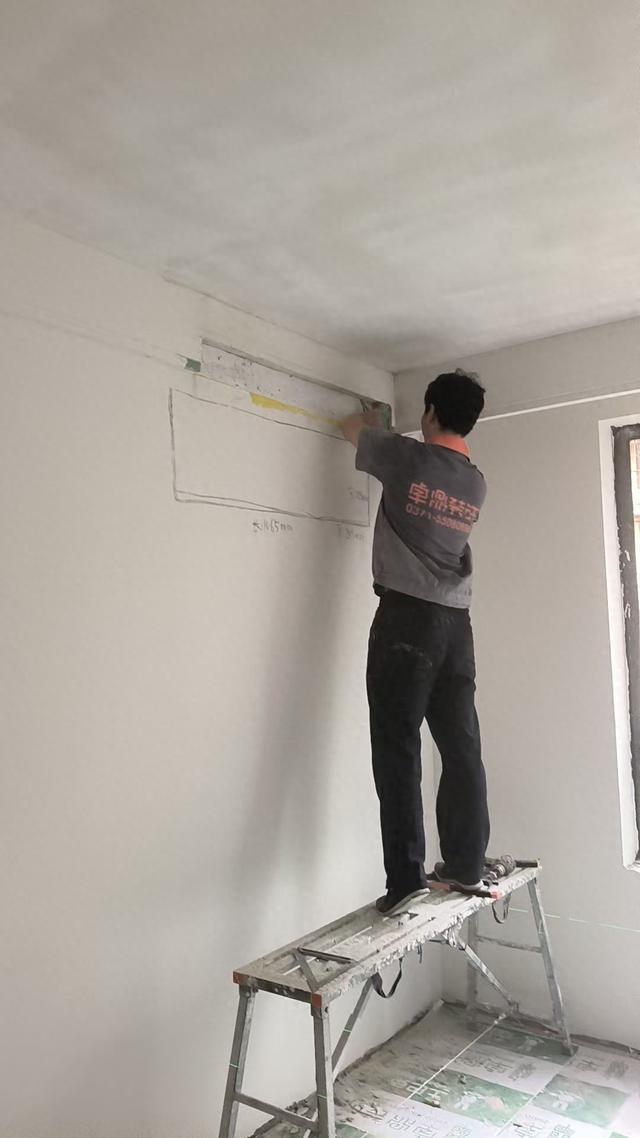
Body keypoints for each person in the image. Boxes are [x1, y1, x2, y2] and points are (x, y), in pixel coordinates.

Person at [341, 370, 490, 913]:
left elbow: (350, 428)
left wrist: (373, 421)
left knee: (397, 745)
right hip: (456, 625)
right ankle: (466, 863)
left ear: (429, 411)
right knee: (460, 743)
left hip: (407, 620)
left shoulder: (407, 460)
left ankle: (406, 881)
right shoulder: (475, 481)